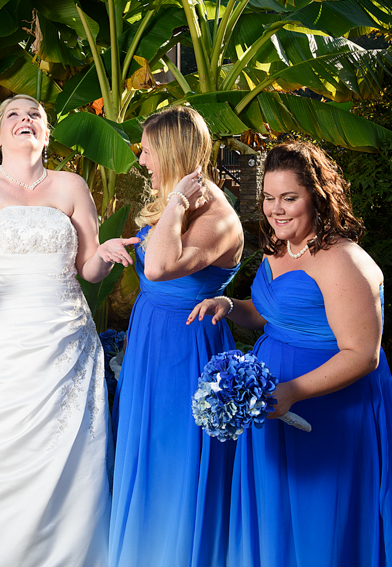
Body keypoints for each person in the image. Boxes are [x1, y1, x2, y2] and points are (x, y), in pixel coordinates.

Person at [0, 95, 133, 567]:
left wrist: (106, 251)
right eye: (12, 114)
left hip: (66, 344)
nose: (25, 119)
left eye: (35, 114)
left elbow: (89, 269)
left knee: (65, 463)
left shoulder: (73, 185)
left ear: (47, 133)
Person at [189, 140, 392, 567]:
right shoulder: (278, 249)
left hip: (327, 406)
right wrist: (229, 306)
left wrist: (292, 391)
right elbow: (266, 313)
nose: (276, 210)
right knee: (274, 513)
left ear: (316, 196)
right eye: (268, 198)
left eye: (289, 198)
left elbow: (362, 354)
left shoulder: (344, 262)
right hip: (271, 403)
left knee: (322, 523)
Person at [109, 106, 243, 567]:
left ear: (170, 151)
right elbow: (152, 254)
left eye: (147, 151)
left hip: (186, 347)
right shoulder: (177, 201)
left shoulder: (218, 216)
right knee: (144, 448)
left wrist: (175, 204)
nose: (142, 161)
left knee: (173, 455)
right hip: (150, 338)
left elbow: (161, 267)